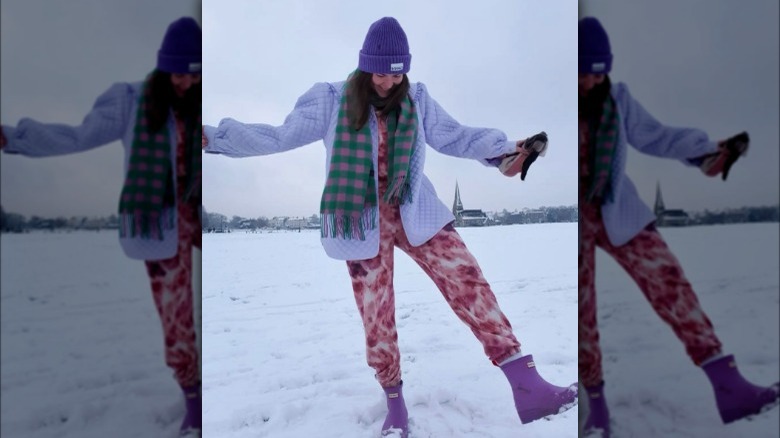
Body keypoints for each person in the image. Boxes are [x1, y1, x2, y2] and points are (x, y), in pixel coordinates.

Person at [203, 16, 575, 437]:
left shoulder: (416, 99)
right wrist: (215, 138)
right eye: (380, 73)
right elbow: (278, 136)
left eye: (396, 74)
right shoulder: (331, 100)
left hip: (415, 210)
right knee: (377, 315)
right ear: (365, 67)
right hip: (360, 220)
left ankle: (528, 385)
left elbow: (455, 136)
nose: (387, 83)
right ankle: (395, 403)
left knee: (469, 282)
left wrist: (507, 150)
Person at [0, 17, 203, 437]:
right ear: (165, 67)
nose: (187, 82)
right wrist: (14, 138)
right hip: (160, 225)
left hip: (201, 217)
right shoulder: (132, 101)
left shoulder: (206, 99)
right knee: (177, 319)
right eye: (180, 73)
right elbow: (77, 136)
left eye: (196, 73)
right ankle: (194, 400)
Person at [577, 16, 779, 437]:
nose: (589, 84)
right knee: (583, 312)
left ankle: (730, 385)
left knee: (670, 282)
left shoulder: (617, 99)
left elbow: (658, 136)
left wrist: (708, 152)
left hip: (617, 210)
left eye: (597, 75)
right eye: (581, 74)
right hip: (575, 220)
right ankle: (594, 405)